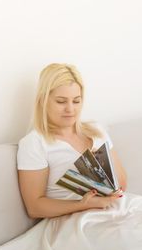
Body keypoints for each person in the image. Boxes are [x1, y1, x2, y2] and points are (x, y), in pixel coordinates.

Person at [17, 63, 127, 219]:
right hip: (74, 220)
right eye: (61, 102)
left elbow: (122, 185)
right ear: (43, 101)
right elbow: (34, 208)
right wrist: (83, 205)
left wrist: (103, 168)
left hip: (116, 210)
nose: (70, 109)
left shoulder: (97, 130)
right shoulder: (35, 143)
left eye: (76, 101)